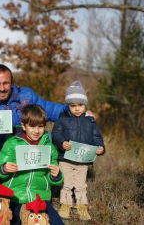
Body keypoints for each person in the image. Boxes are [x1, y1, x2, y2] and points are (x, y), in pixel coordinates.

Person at [0, 64, 69, 181]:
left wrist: (72, 111)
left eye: (6, 83)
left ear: (12, 82)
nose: (2, 88)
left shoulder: (26, 95)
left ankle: (52, 175)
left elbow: (50, 109)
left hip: (29, 141)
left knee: (48, 135)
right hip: (2, 147)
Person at [0, 104, 65, 225]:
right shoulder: (12, 144)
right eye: (32, 126)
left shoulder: (49, 147)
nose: (36, 131)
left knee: (56, 223)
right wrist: (4, 168)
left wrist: (55, 175)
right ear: (24, 126)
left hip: (40, 197)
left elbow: (51, 178)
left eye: (40, 126)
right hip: (15, 196)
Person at [51, 80, 105, 220]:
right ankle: (65, 205)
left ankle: (82, 207)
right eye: (73, 105)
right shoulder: (62, 119)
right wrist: (62, 142)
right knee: (67, 184)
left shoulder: (90, 121)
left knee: (81, 185)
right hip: (66, 159)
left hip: (83, 160)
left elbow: (96, 137)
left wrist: (100, 148)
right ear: (68, 105)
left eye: (80, 105)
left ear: (85, 104)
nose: (76, 108)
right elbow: (56, 134)